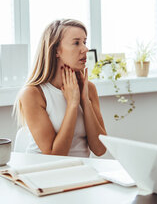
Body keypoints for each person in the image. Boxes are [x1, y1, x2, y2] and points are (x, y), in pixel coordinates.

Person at [14, 19, 107, 157]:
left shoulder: (89, 88)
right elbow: (54, 155)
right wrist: (72, 104)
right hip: (43, 171)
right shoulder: (33, 93)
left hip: (79, 172)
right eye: (76, 43)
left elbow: (100, 149)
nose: (85, 49)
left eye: (84, 42)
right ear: (56, 50)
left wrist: (84, 101)